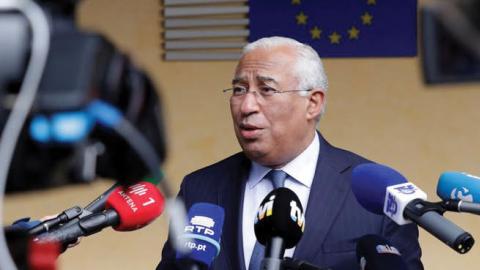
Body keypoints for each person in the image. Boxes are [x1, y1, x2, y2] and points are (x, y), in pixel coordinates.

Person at [157, 36, 423, 270]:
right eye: (239, 90)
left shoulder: (378, 196)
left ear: (313, 103)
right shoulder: (200, 189)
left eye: (267, 90)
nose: (247, 105)